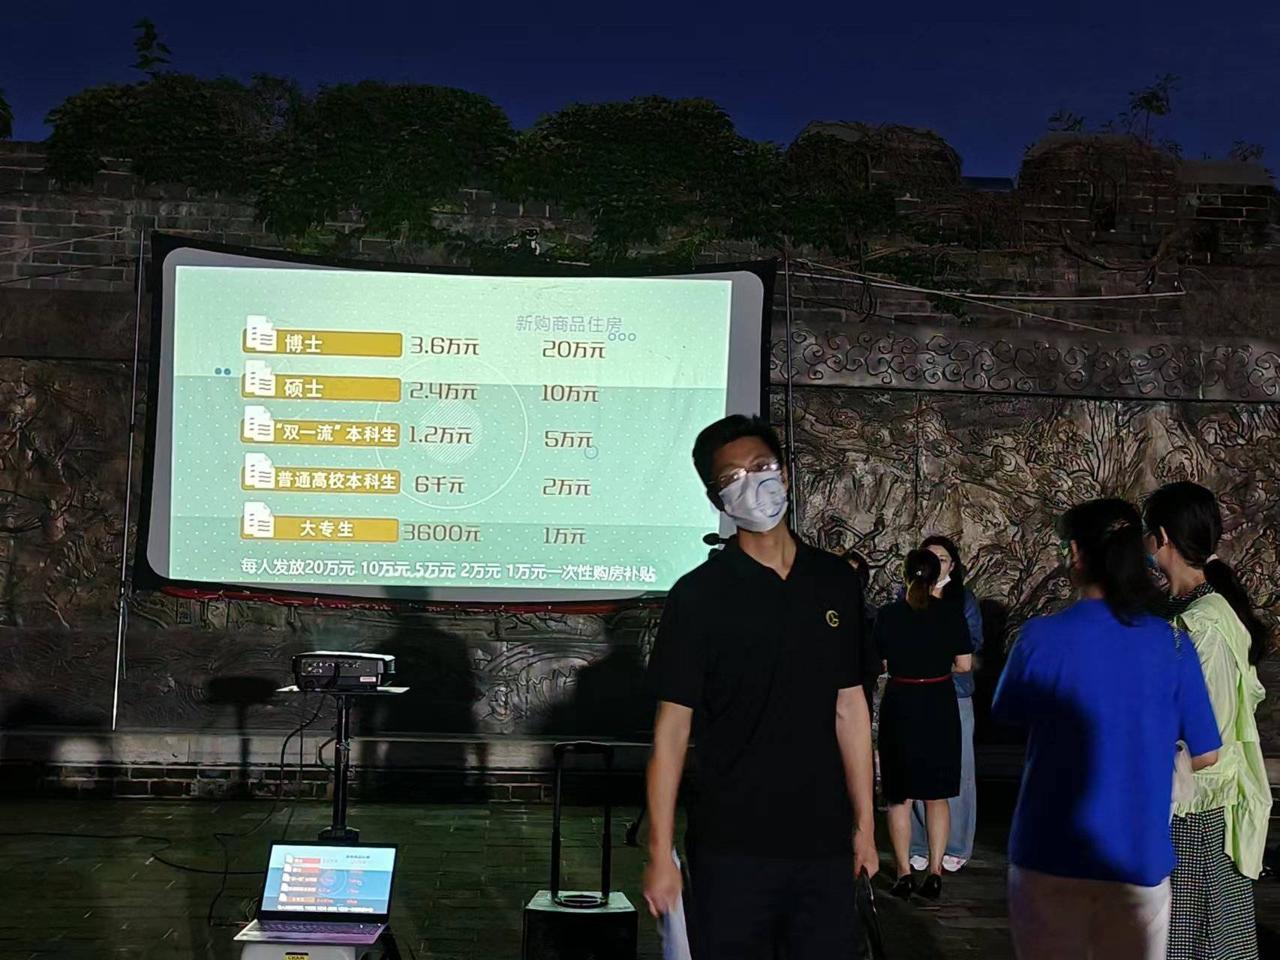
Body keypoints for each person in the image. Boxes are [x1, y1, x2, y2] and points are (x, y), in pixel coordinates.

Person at [642, 414, 878, 960]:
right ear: (717, 499)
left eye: (762, 466)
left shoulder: (834, 581)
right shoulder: (699, 596)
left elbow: (850, 708)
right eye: (733, 477)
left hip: (822, 839)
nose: (753, 483)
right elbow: (671, 732)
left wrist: (865, 828)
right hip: (731, 842)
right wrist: (658, 852)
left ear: (785, 473)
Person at [994, 498, 1221, 960]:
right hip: (1136, 855)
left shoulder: (1038, 638)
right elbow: (1206, 752)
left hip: (1048, 849)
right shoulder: (1173, 643)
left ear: (1076, 554)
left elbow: (1008, 715)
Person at [1143, 481, 1273, 960]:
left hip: (1196, 810)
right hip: (1177, 799)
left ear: (1161, 537)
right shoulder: (1178, 611)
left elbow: (1206, 741)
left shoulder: (1207, 624)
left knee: (1194, 941)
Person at [875, 548, 972, 899]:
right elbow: (964, 664)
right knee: (936, 794)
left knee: (899, 795)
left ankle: (903, 872)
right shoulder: (950, 613)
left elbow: (881, 662)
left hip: (901, 702)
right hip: (938, 702)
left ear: (904, 575)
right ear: (936, 577)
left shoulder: (888, 615)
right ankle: (934, 872)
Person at [908, 534, 984, 874]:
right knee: (915, 766)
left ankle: (955, 844)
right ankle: (919, 842)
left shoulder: (963, 600)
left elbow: (971, 647)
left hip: (954, 692)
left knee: (959, 769)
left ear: (952, 565)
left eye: (942, 558)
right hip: (915, 691)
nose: (936, 564)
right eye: (930, 557)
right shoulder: (907, 596)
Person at [842, 547, 883, 716]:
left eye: (856, 575)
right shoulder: (819, 612)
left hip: (860, 694)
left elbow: (876, 662)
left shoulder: (872, 615)